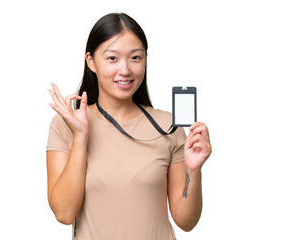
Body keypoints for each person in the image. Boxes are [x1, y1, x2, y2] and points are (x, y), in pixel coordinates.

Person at [46, 12, 212, 240]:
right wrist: (81, 136)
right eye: (112, 58)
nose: (125, 70)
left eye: (135, 58)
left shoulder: (168, 126)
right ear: (91, 61)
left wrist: (193, 171)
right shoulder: (66, 125)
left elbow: (186, 221)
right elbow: (64, 213)